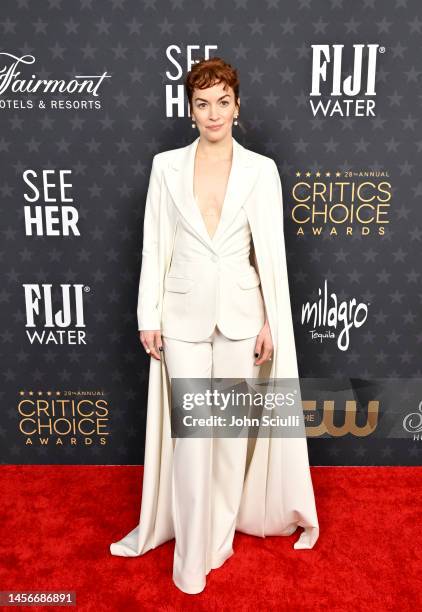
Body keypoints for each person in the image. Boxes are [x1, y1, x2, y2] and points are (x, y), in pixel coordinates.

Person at [110, 56, 319, 595]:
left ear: (237, 106)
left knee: (226, 438)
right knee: (192, 439)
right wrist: (147, 315)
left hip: (242, 318)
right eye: (202, 103)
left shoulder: (261, 171)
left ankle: (217, 538)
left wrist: (272, 320)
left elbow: (271, 254)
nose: (213, 113)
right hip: (180, 316)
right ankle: (189, 556)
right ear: (190, 110)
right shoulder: (166, 167)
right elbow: (155, 242)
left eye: (222, 102)